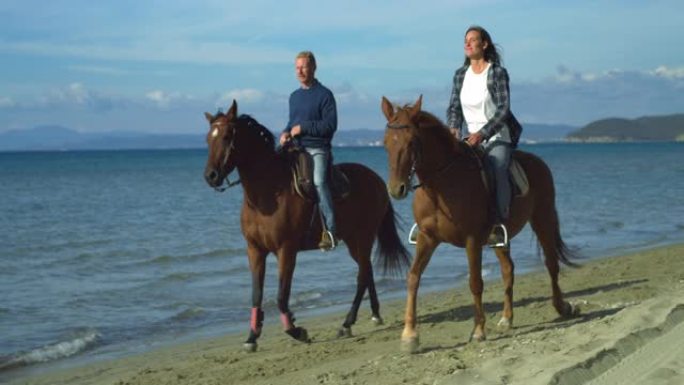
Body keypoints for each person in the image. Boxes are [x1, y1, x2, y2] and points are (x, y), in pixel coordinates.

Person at [446, 26, 523, 249]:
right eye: (465, 41)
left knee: (497, 167)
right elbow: (454, 108)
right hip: (469, 138)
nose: (467, 44)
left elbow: (503, 110)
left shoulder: (497, 72)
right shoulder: (460, 74)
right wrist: (453, 127)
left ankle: (499, 224)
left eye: (473, 40)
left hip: (497, 136)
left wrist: (482, 134)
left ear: (484, 44)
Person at [279, 51, 339, 251]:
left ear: (313, 67)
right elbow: (292, 122)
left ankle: (330, 231)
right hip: (296, 148)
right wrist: (286, 132)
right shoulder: (294, 97)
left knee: (319, 182)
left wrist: (303, 127)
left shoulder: (325, 95)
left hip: (317, 148)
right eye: (297, 68)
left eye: (303, 67)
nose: (300, 71)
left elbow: (330, 126)